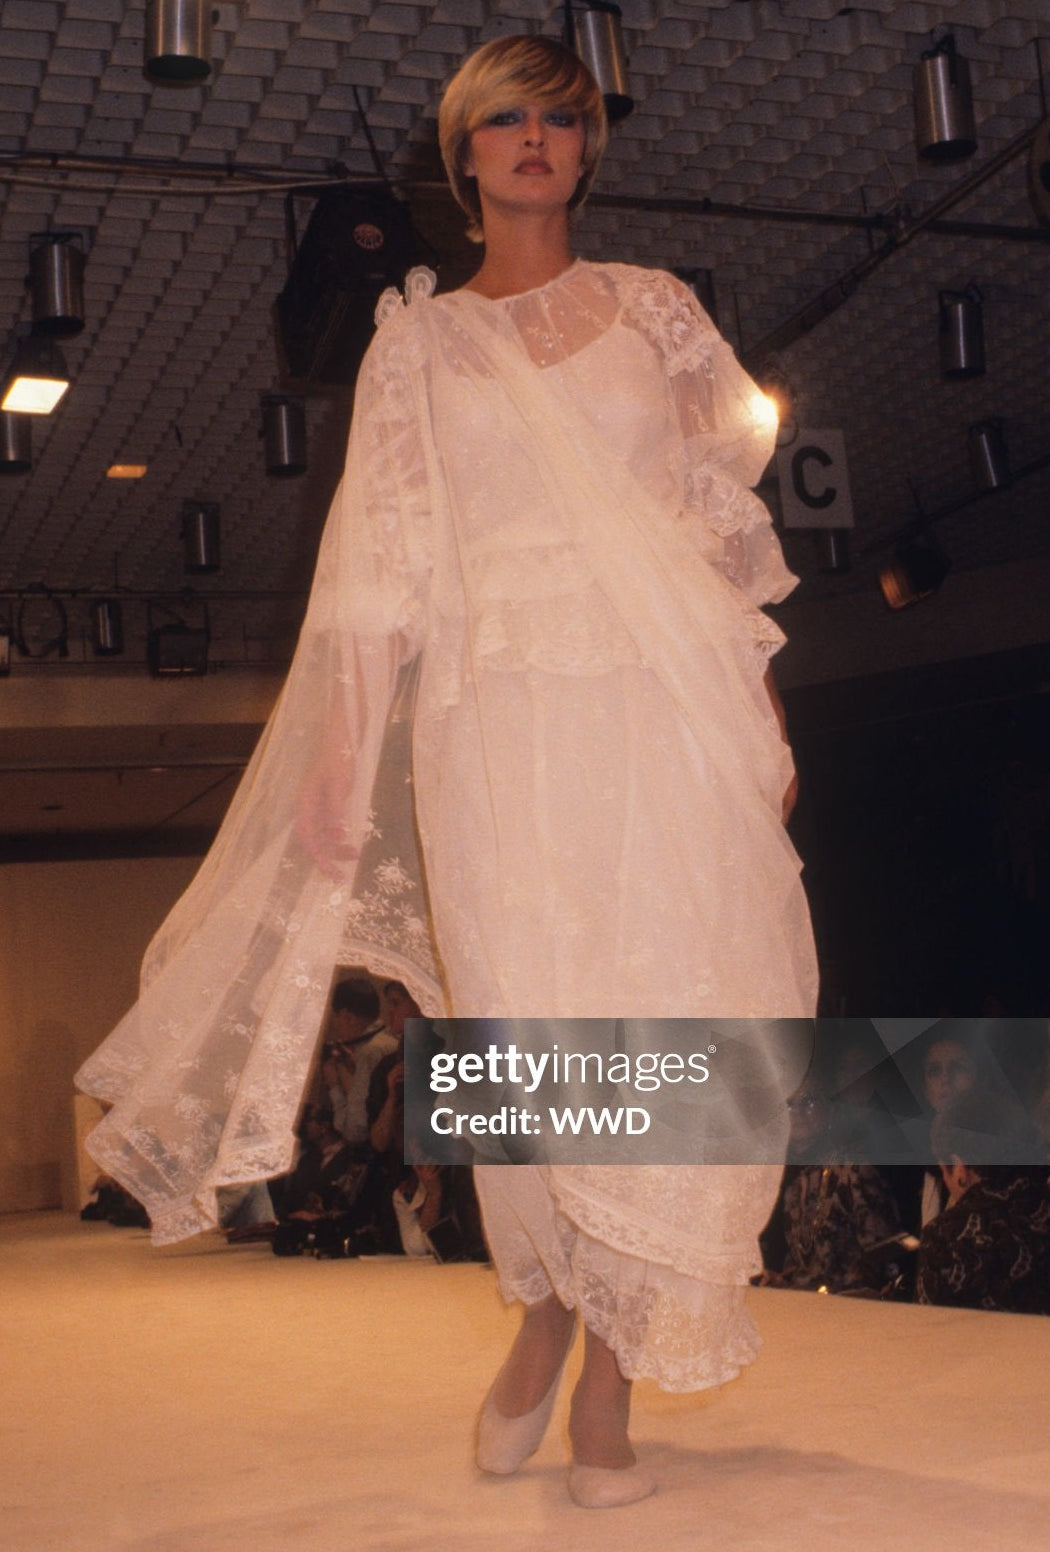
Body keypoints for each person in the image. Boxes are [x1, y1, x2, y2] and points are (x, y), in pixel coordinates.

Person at [75, 34, 817, 1509]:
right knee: (541, 1049)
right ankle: (545, 1310)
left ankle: (600, 1380)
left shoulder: (657, 313)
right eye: (504, 119)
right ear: (462, 154)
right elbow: (379, 572)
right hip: (505, 728)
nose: (534, 138)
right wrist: (345, 761)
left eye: (560, 116)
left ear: (586, 146)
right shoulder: (415, 342)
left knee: (679, 1023)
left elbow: (716, 533)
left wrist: (761, 713)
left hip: (663, 710)